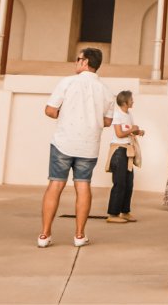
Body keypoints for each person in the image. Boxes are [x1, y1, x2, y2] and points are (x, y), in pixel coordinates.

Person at [38, 48, 115, 249]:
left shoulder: (67, 82)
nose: (75, 62)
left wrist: (63, 115)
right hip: (88, 146)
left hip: (64, 142)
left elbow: (49, 110)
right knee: (83, 187)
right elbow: (107, 121)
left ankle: (45, 235)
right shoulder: (106, 91)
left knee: (55, 185)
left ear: (85, 61)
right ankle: (79, 235)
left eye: (77, 59)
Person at [106, 91, 143, 223]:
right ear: (124, 101)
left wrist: (138, 131)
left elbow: (129, 131)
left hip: (128, 152)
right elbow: (120, 134)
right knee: (119, 183)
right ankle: (113, 214)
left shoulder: (129, 114)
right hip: (119, 151)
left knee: (128, 183)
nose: (133, 101)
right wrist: (132, 130)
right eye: (131, 99)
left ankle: (125, 211)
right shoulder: (117, 114)